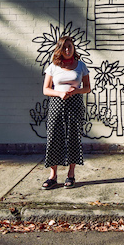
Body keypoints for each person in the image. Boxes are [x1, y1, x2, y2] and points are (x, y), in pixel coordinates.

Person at [41, 35, 91, 189]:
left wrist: (76, 91)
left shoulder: (81, 65)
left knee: (73, 137)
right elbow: (46, 89)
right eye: (65, 47)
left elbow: (88, 88)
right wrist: (60, 93)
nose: (68, 50)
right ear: (60, 50)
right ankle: (53, 176)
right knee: (54, 137)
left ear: (73, 48)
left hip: (75, 104)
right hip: (57, 103)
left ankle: (71, 174)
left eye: (70, 46)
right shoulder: (53, 66)